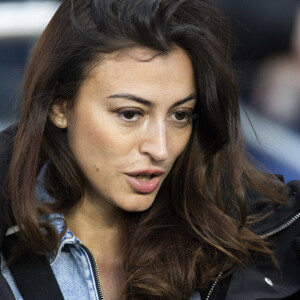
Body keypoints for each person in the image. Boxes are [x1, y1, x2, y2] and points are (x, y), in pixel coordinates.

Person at [0, 0, 299, 299]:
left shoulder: (248, 240)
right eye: (130, 114)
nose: (160, 148)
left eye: (180, 115)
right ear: (60, 106)